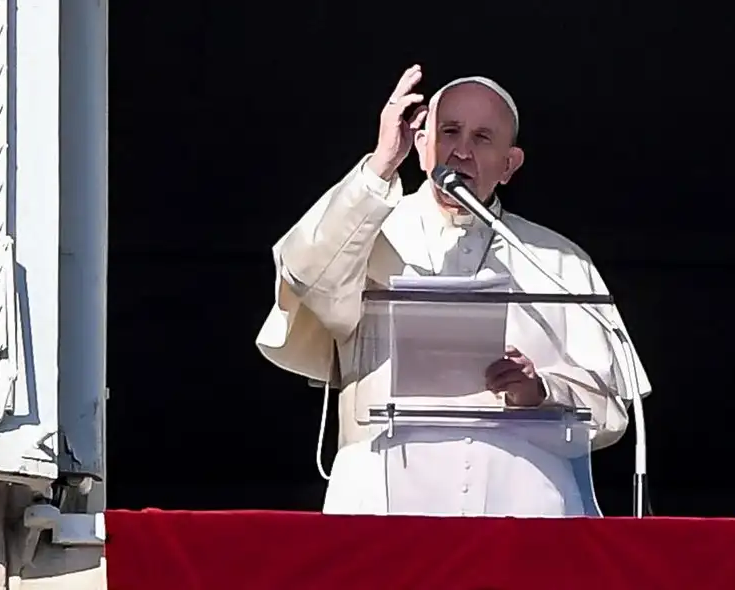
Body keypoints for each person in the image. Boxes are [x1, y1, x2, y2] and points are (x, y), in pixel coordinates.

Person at [256, 65, 651, 517]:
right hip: (385, 504)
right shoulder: (364, 230)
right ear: (423, 144)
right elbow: (304, 276)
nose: (461, 151)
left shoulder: (559, 260)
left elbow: (612, 412)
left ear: (509, 165)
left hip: (521, 511)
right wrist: (381, 164)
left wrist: (540, 390)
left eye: (483, 138)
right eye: (449, 131)